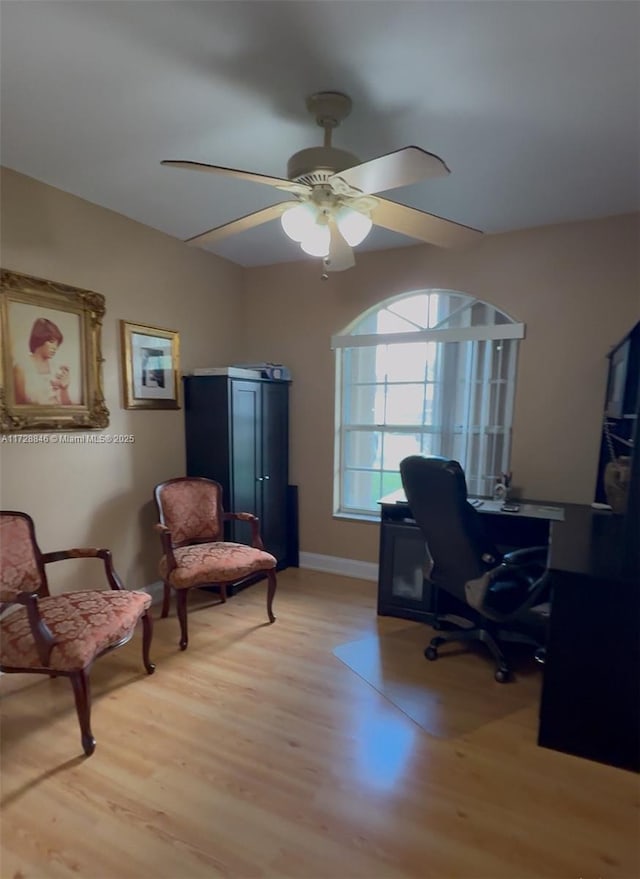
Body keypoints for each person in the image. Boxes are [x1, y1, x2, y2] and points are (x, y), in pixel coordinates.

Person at [13, 317, 75, 405]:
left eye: (57, 344)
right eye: (51, 341)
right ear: (39, 338)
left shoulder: (57, 368)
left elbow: (68, 408)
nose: (55, 348)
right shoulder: (21, 368)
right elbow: (19, 409)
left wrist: (64, 389)